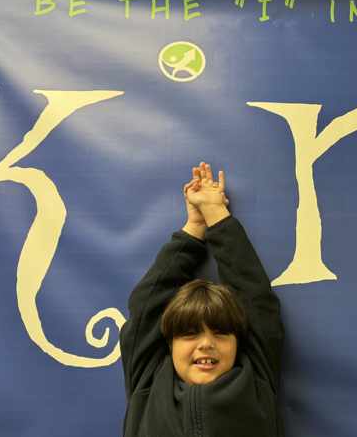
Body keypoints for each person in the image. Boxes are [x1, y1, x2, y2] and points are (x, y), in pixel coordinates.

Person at [119, 162, 284, 437]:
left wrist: (217, 215)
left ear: (238, 341)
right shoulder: (148, 381)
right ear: (169, 343)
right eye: (189, 334)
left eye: (221, 333)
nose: (206, 344)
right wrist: (194, 227)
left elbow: (256, 300)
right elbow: (147, 303)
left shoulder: (256, 381)